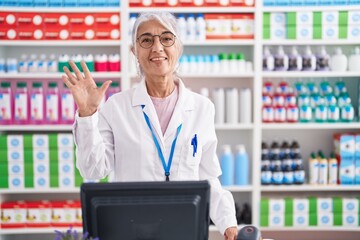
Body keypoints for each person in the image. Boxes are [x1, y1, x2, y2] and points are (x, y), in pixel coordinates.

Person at [62, 11, 238, 240]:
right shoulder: (116, 107)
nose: (157, 47)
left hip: (184, 229)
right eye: (146, 40)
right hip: (130, 229)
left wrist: (228, 224)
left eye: (166, 38)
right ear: (134, 51)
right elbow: (92, 170)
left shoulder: (202, 108)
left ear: (178, 47)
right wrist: (87, 114)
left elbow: (209, 178)